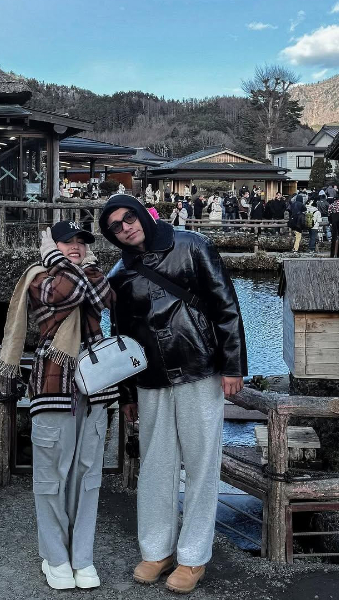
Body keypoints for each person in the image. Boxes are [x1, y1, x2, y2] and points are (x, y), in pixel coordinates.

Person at [98, 194, 246, 594]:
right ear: (111, 235)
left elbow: (225, 305)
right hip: (150, 377)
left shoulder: (192, 244)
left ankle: (193, 557)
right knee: (157, 467)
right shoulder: (119, 274)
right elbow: (122, 338)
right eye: (116, 225)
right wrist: (127, 393)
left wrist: (233, 365)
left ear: (142, 215)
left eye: (129, 217)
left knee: (201, 464)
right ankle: (157, 549)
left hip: (199, 365)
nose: (126, 226)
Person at [0, 222, 117, 591]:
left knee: (88, 476)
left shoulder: (93, 274)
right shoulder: (37, 276)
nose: (77, 247)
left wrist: (69, 261)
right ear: (50, 245)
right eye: (68, 242)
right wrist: (54, 258)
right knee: (51, 478)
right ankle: (55, 557)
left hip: (94, 387)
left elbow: (103, 296)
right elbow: (66, 291)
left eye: (82, 242)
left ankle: (82, 557)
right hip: (52, 384)